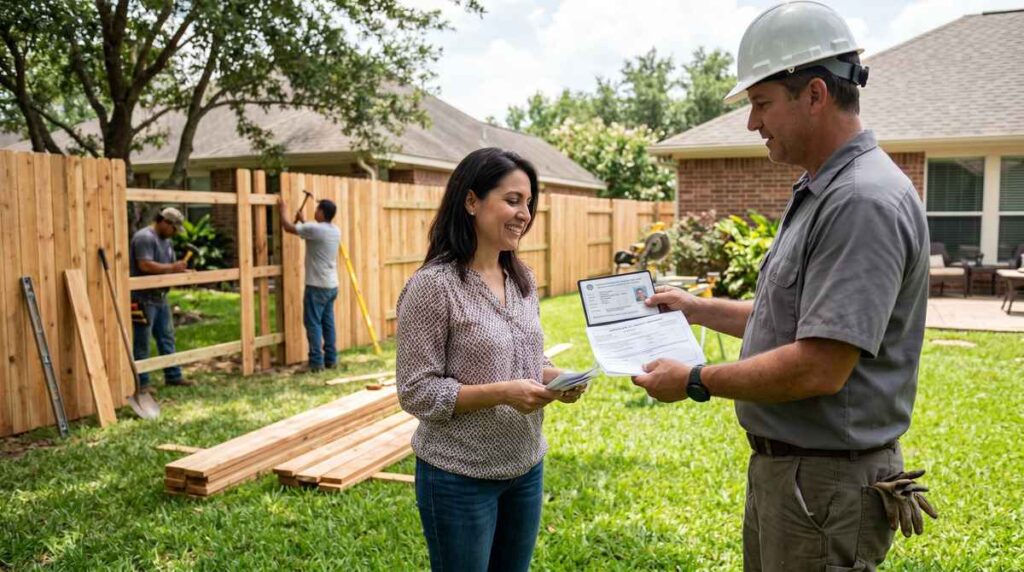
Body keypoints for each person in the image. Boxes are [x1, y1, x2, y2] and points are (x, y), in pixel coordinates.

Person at [632, 3, 936, 571]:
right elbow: (795, 321)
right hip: (799, 477)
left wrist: (694, 379)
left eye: (761, 102)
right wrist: (696, 309)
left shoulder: (860, 201)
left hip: (824, 486)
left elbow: (819, 366)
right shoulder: (824, 189)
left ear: (815, 94)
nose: (753, 123)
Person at [396, 148, 586, 572]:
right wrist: (503, 393)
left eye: (529, 203)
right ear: (471, 201)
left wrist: (555, 378)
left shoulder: (522, 279)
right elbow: (416, 392)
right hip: (458, 477)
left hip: (526, 466)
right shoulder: (434, 287)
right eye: (512, 200)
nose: (525, 214)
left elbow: (525, 360)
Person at [278, 196, 341, 372]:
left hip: (316, 286)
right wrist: (304, 221)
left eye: (317, 209)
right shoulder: (335, 230)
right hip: (331, 286)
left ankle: (316, 363)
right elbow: (313, 232)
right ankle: (331, 360)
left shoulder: (314, 229)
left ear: (322, 212)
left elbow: (287, 227)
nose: (315, 211)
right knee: (328, 323)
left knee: (313, 323)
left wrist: (282, 209)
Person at [129, 207, 191, 389]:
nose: (174, 233)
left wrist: (182, 271)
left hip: (160, 297)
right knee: (142, 342)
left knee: (166, 337)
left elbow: (167, 267)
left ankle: (173, 376)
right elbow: (145, 265)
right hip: (142, 298)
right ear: (164, 222)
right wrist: (173, 267)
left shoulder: (167, 241)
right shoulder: (145, 237)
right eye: (174, 228)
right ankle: (142, 383)